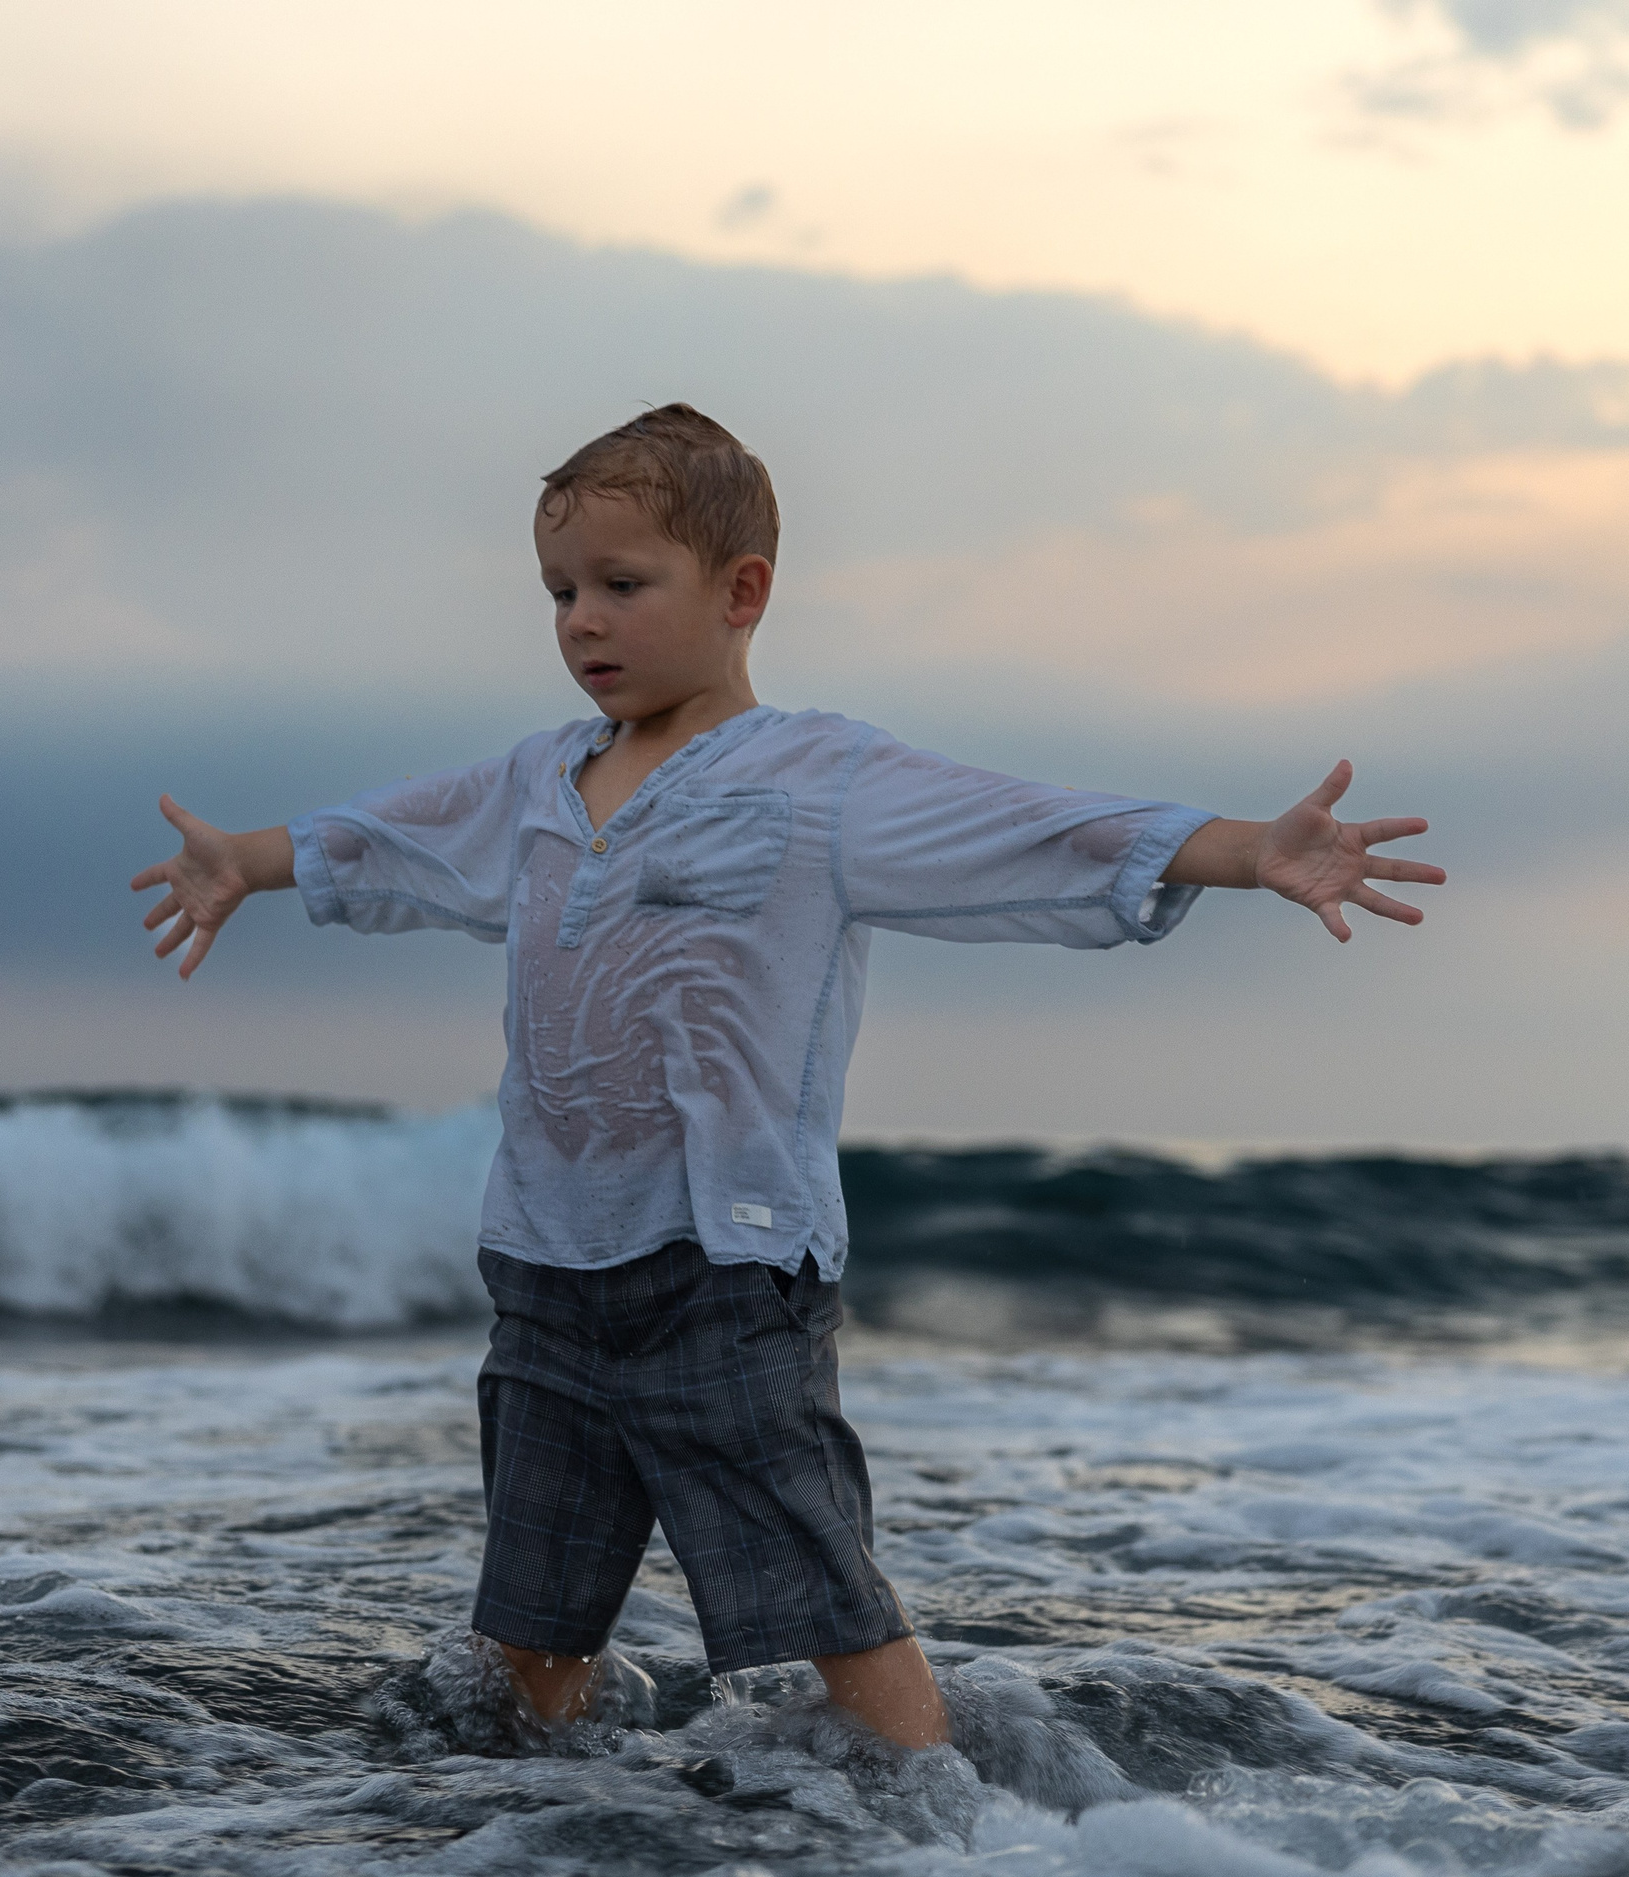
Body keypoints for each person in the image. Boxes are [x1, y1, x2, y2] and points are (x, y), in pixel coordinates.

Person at [129, 404, 1442, 1750]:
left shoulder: (816, 779)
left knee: (824, 1598)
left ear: (741, 592)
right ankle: (529, 1820)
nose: (584, 621)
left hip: (726, 1267)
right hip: (544, 1263)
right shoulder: (535, 782)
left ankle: (932, 1817)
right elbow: (393, 836)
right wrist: (250, 860)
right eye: (562, 593)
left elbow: (1026, 829)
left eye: (623, 585)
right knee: (530, 1618)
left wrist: (1243, 850)